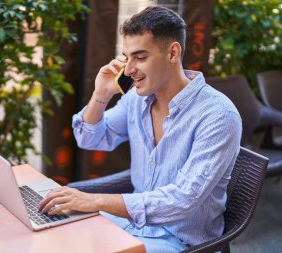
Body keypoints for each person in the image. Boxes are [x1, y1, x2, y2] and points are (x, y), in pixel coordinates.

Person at [39, 6, 242, 253]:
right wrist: (101, 94)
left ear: (173, 53)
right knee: (55, 235)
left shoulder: (218, 115)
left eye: (140, 57)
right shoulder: (136, 99)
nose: (129, 69)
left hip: (182, 242)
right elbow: (89, 139)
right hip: (131, 225)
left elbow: (182, 201)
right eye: (127, 57)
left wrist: (94, 201)